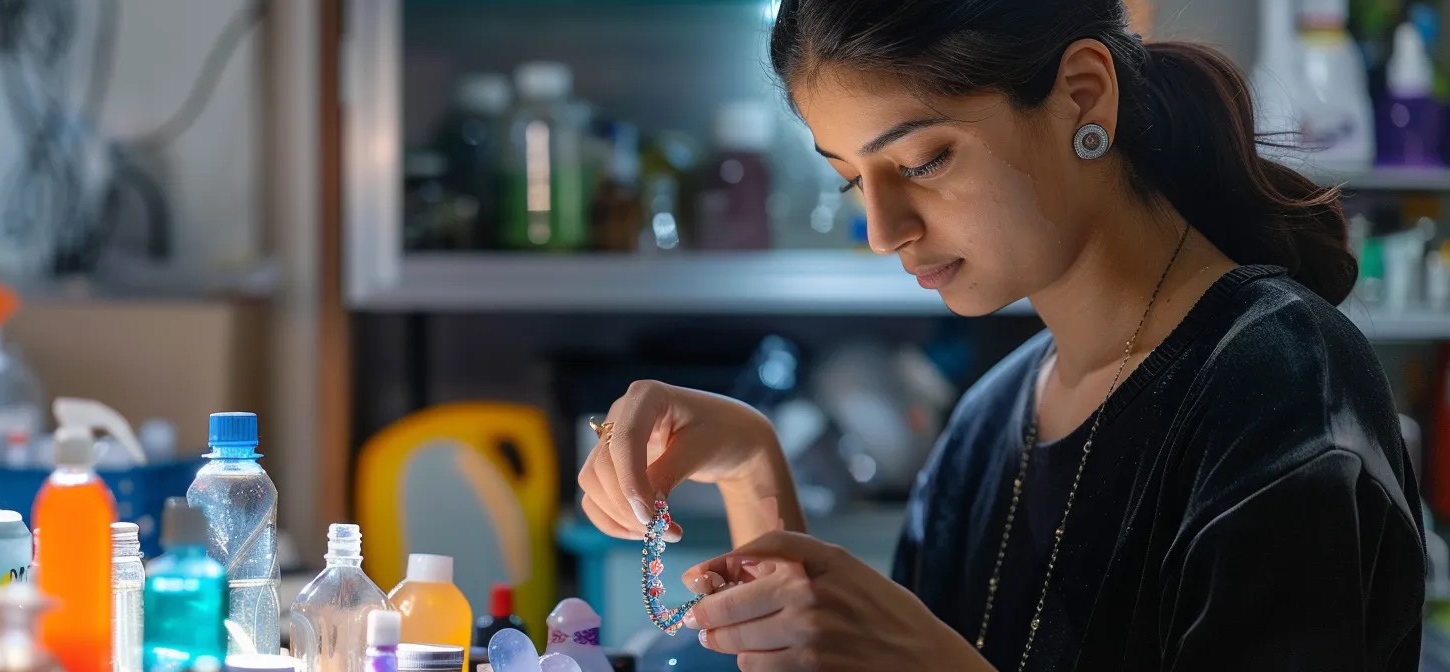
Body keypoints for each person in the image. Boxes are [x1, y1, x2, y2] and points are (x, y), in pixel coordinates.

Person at [575, 1, 1426, 670]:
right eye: (849, 184)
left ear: (1081, 96)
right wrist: (753, 467)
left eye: (922, 162)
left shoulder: (1279, 382)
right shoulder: (987, 424)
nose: (881, 228)